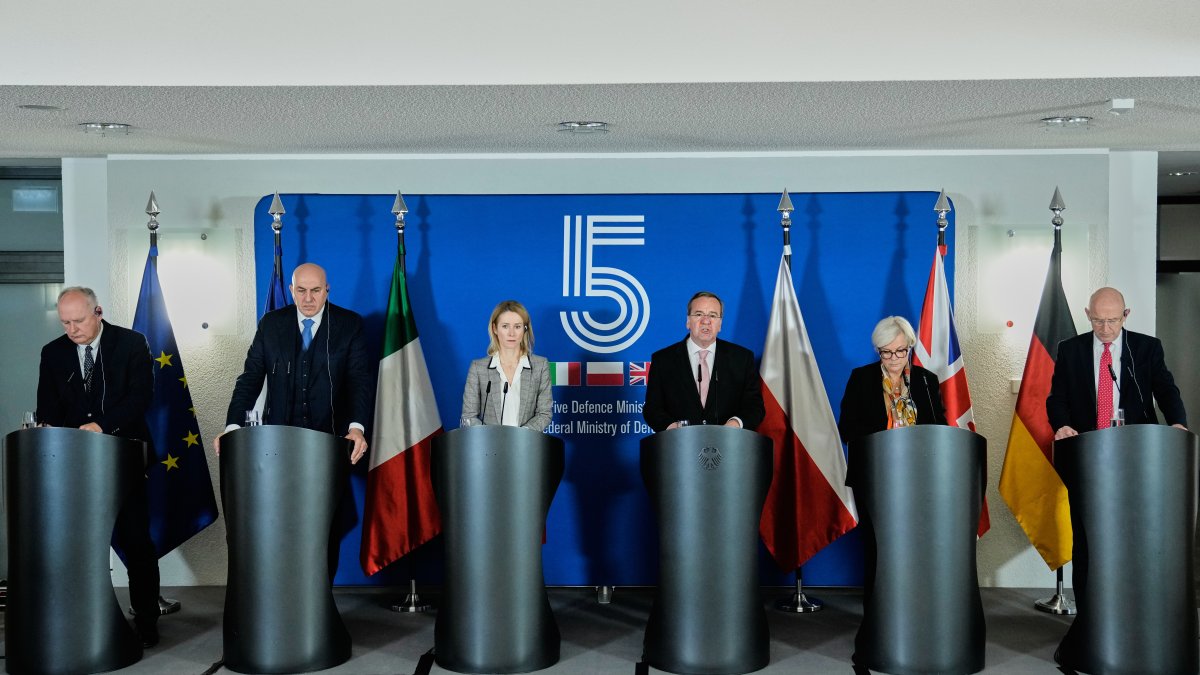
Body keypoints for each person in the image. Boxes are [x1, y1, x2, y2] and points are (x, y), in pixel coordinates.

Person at [36, 286, 161, 647]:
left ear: (98, 312)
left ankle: (147, 619)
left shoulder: (132, 343)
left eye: (78, 321)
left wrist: (102, 426)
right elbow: (47, 406)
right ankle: (79, 618)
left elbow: (142, 397)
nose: (71, 329)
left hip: (124, 457)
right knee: (77, 545)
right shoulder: (53, 353)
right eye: (64, 323)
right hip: (73, 463)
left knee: (136, 541)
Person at [216, 263, 371, 462]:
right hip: (277, 442)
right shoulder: (270, 324)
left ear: (327, 289)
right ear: (291, 290)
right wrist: (233, 428)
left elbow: (359, 382)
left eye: (315, 290)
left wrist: (356, 429)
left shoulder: (350, 324)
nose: (308, 299)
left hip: (332, 441)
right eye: (301, 290)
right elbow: (249, 379)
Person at [1047, 286, 1187, 439]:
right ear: (1088, 314)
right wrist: (1062, 425)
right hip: (1083, 441)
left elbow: (1166, 391)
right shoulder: (1070, 350)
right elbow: (1057, 397)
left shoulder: (1147, 348)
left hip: (1137, 441)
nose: (1105, 329)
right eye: (1098, 320)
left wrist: (1177, 422)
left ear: (1125, 315)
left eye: (1112, 320)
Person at [642, 291, 765, 432]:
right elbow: (652, 409)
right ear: (688, 321)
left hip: (729, 447)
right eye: (699, 314)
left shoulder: (742, 358)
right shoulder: (663, 360)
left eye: (713, 315)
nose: (706, 321)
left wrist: (735, 425)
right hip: (679, 448)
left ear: (720, 324)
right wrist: (673, 429)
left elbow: (755, 406)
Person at [837, 315, 946, 445]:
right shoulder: (861, 378)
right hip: (875, 459)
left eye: (900, 350)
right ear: (878, 350)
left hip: (920, 459)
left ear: (910, 347)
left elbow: (940, 428)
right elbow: (846, 430)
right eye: (887, 352)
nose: (894, 358)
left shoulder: (926, 380)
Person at [460, 300, 553, 430]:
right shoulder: (478, 367)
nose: (511, 333)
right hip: (489, 447)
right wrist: (493, 438)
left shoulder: (540, 366)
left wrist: (521, 436)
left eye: (517, 326)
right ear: (495, 328)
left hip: (526, 446)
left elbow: (544, 414)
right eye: (505, 326)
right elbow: (468, 416)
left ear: (525, 329)